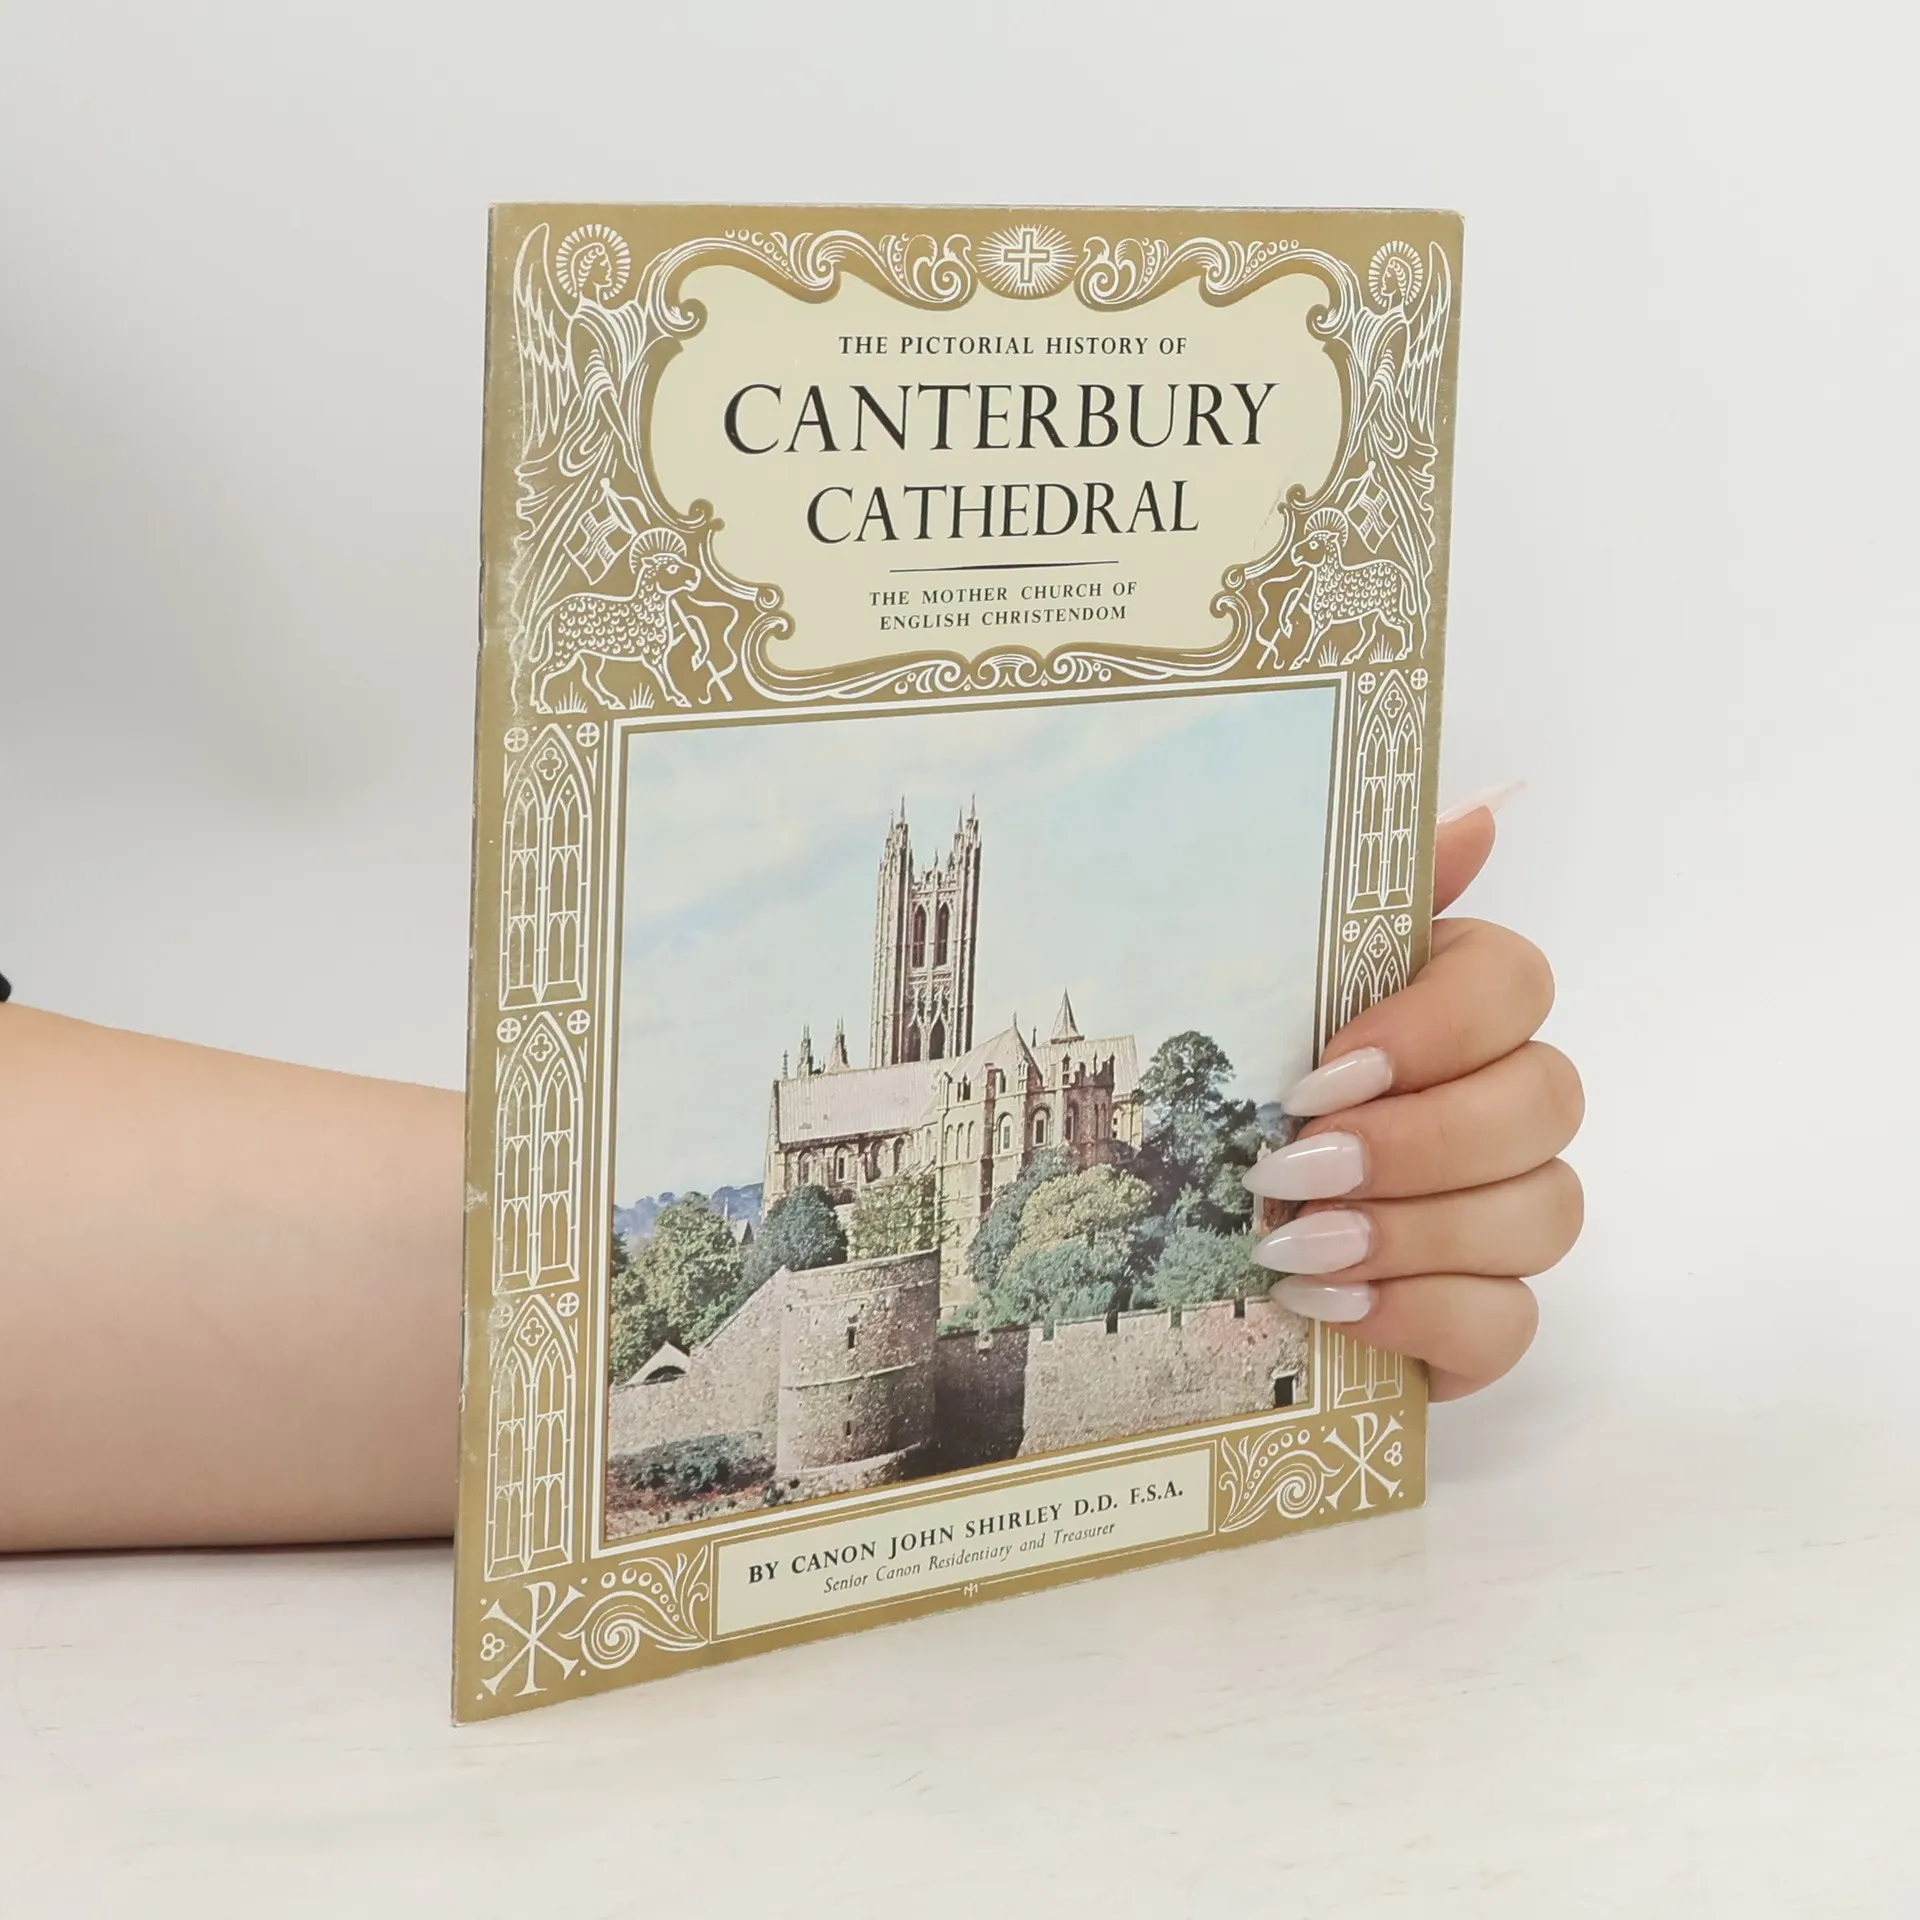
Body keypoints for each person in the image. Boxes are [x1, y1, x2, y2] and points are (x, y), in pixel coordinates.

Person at [0, 790, 1581, 1554]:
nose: (935, 949)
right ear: (907, 916)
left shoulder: (1023, 1077)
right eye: (925, 920)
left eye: (944, 916)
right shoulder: (853, 1099)